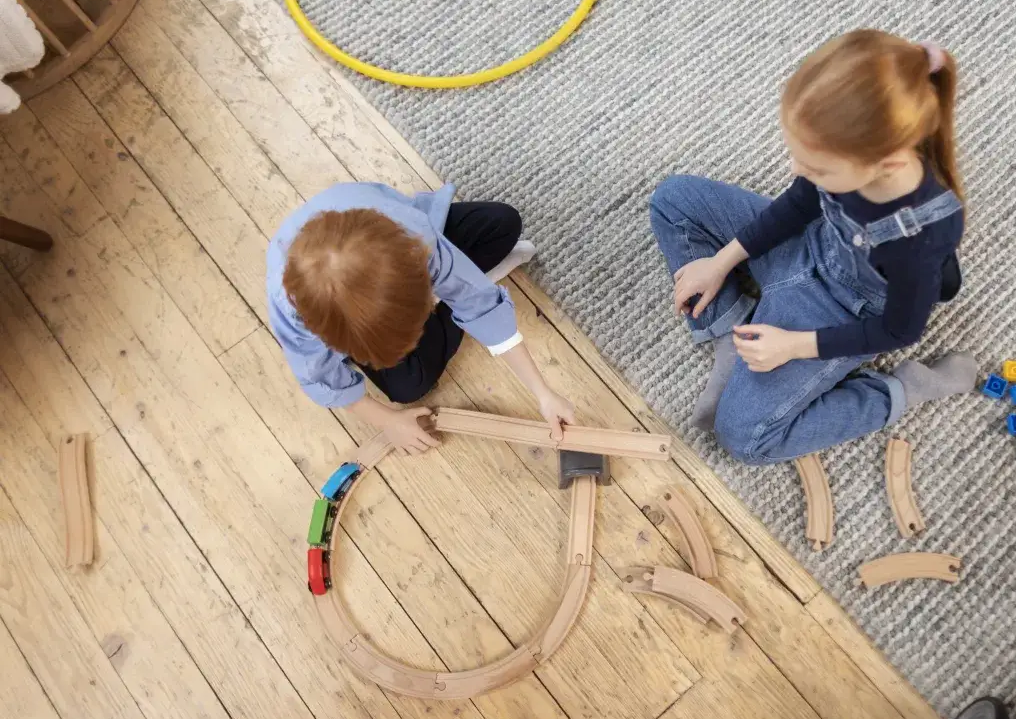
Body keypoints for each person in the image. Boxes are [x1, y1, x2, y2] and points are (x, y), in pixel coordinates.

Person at [649, 29, 977, 465]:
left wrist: (792, 346)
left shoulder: (916, 239)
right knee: (674, 199)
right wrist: (722, 261)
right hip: (806, 248)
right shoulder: (847, 160)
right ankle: (734, 333)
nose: (795, 168)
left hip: (840, 311)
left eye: (814, 166)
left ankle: (905, 389)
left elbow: (900, 330)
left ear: (887, 164)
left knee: (744, 438)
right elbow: (801, 202)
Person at [267, 183, 575, 453]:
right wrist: (387, 421)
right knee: (408, 387)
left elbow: (478, 301)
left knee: (503, 223)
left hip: (407, 245)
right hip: (388, 274)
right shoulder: (293, 314)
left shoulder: (415, 241)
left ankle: (449, 294)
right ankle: (450, 295)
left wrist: (543, 393)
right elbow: (319, 375)